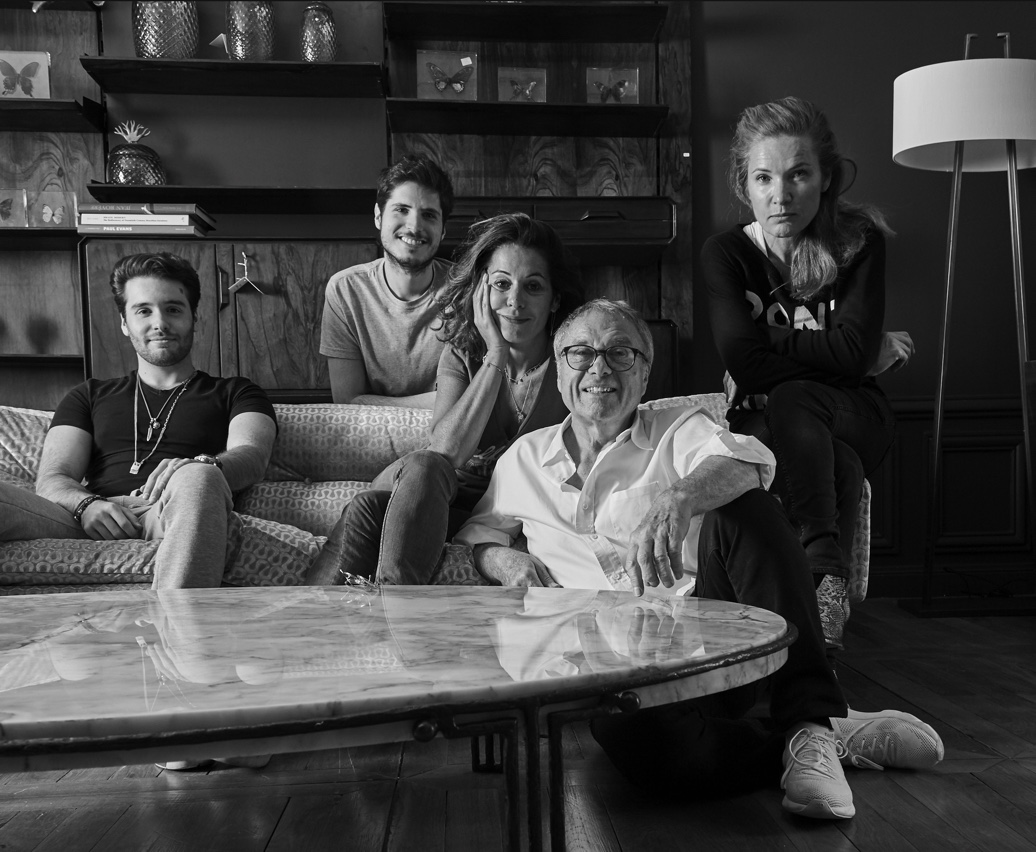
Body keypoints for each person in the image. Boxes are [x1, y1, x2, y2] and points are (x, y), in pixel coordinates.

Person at [454, 299, 942, 819]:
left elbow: (752, 460)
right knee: (631, 735)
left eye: (621, 353)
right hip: (614, 666)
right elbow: (475, 534)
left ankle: (810, 721)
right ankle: (812, 739)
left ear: (645, 373)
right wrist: (501, 561)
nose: (600, 368)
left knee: (743, 507)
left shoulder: (677, 427)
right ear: (559, 372)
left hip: (711, 638)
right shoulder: (523, 459)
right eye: (580, 354)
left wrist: (679, 496)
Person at [702, 96, 914, 604]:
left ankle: (814, 572)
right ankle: (821, 596)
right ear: (744, 184)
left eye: (798, 175)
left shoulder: (859, 242)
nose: (781, 195)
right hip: (763, 417)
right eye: (764, 179)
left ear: (826, 179)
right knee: (831, 458)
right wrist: (844, 351)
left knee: (795, 398)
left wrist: (760, 343)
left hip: (854, 413)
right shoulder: (727, 254)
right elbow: (748, 365)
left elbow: (833, 357)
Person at [306, 213, 585, 586]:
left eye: (533, 287)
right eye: (501, 284)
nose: (515, 301)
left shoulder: (574, 362)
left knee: (371, 504)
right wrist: (495, 354)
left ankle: (387, 611)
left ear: (554, 300)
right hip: (452, 508)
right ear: (481, 291)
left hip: (516, 510)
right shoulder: (462, 354)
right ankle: (337, 617)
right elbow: (447, 451)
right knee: (403, 481)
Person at [0, 252, 277, 590]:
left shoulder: (237, 391)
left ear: (194, 318)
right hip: (87, 516)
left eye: (173, 309)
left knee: (200, 477)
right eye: (143, 310)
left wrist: (198, 466)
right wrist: (87, 505)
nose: (159, 322)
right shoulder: (88, 395)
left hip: (173, 509)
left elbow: (252, 456)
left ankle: (182, 632)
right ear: (124, 322)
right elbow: (54, 479)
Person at [320, 154, 455, 408]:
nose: (414, 226)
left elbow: (467, 399)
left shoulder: (465, 290)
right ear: (378, 216)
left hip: (447, 435)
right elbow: (347, 401)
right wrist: (442, 401)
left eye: (428, 215)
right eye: (402, 210)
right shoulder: (345, 291)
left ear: (443, 229)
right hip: (369, 435)